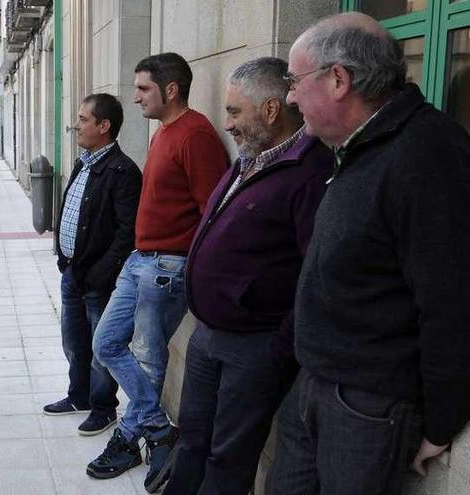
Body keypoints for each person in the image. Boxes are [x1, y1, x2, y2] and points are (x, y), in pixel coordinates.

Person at [267, 13, 470, 494]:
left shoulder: (428, 154)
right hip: (316, 382)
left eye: (294, 81)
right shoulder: (361, 144)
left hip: (366, 405)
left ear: (339, 79)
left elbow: (451, 302)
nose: (290, 96)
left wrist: (441, 423)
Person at [163, 58, 332, 495]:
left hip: (255, 346)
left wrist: (278, 346)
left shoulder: (310, 172)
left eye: (235, 112)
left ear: (272, 109)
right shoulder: (250, 158)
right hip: (208, 335)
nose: (228, 124)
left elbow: (318, 275)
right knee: (193, 437)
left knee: (228, 456)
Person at [87, 53, 229, 493]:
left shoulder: (197, 135)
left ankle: (131, 437)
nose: (136, 97)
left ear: (170, 90)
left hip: (168, 266)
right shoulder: (163, 132)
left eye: (144, 89)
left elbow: (214, 213)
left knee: (148, 358)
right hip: (140, 260)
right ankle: (158, 428)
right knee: (106, 342)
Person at [44, 93, 142, 437]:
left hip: (99, 279)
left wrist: (102, 273)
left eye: (83, 120)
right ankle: (78, 396)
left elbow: (127, 232)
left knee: (102, 347)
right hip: (72, 271)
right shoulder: (84, 161)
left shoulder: (123, 171)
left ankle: (103, 407)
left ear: (104, 126)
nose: (76, 125)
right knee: (74, 340)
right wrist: (62, 257)